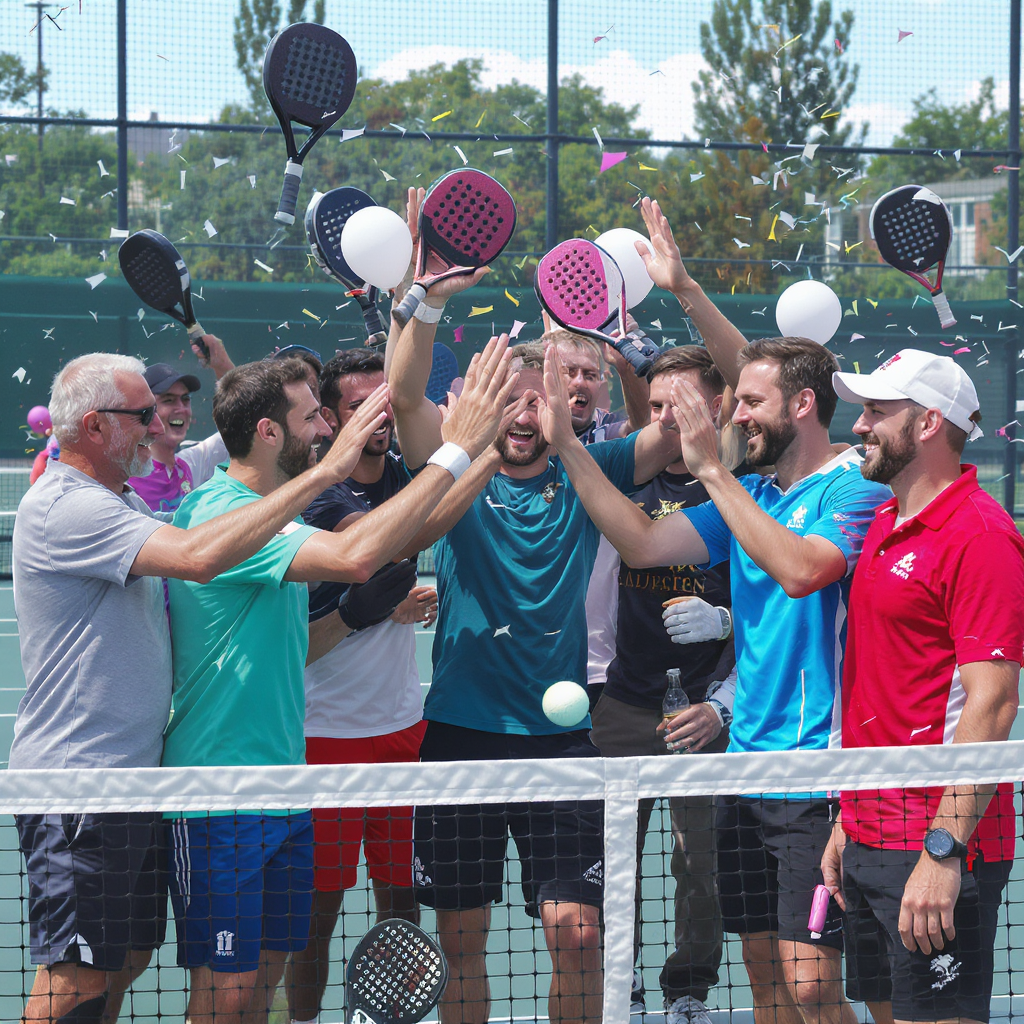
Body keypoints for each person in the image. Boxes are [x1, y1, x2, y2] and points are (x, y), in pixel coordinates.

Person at [536, 197, 892, 1024]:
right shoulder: (756, 490)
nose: (733, 416)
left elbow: (803, 571)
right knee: (768, 978)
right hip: (743, 767)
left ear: (802, 407)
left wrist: (717, 471)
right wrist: (566, 448)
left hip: (816, 771)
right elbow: (642, 543)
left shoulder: (855, 489)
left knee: (814, 986)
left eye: (748, 404)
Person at [10, 351, 399, 1024]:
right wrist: (333, 469)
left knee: (121, 965)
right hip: (80, 786)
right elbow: (198, 556)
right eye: (143, 415)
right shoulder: (69, 508)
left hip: (138, 782)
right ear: (97, 427)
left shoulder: (119, 498)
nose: (159, 425)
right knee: (75, 979)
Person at [162, 343, 517, 1024]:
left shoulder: (274, 517)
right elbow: (359, 555)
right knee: (229, 993)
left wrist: (485, 449)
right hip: (221, 792)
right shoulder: (220, 513)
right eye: (311, 419)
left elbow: (404, 534)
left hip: (284, 781)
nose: (327, 429)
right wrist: (454, 451)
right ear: (270, 433)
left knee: (259, 981)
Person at [388, 285, 678, 1024]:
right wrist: (420, 304)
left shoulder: (590, 464)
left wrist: (626, 343)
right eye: (510, 401)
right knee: (462, 941)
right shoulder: (449, 469)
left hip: (563, 743)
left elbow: (667, 433)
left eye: (538, 400)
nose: (525, 415)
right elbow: (404, 392)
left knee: (578, 935)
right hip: (460, 737)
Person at [820, 349, 1024, 1024]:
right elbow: (882, 687)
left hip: (934, 845)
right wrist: (850, 815)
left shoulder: (982, 537)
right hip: (872, 832)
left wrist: (944, 851)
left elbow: (992, 704)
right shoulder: (884, 523)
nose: (859, 425)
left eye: (878, 411)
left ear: (930, 423)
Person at [285, 348, 437, 1024]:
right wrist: (368, 607)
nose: (380, 413)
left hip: (404, 730)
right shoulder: (323, 491)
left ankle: (391, 1014)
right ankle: (306, 1020)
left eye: (389, 399)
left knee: (402, 902)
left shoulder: (406, 475)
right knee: (317, 914)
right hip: (327, 739)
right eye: (361, 404)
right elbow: (371, 548)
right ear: (332, 418)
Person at [587, 346, 735, 1024]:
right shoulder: (623, 478)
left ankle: (687, 991)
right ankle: (626, 987)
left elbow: (773, 609)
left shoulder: (736, 488)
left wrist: (723, 624)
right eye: (655, 406)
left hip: (703, 715)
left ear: (718, 405)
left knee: (699, 869)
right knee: (615, 864)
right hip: (623, 705)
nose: (667, 418)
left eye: (683, 404)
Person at [128, 335, 233, 512]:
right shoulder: (124, 476)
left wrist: (222, 365)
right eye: (168, 400)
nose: (181, 409)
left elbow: (247, 420)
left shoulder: (190, 464)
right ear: (144, 410)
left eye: (185, 400)